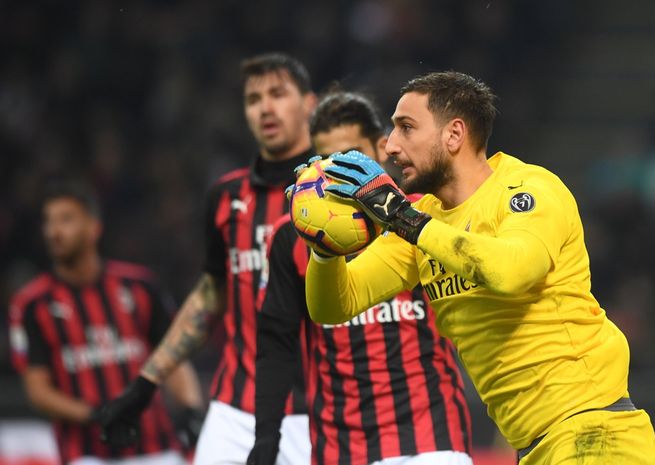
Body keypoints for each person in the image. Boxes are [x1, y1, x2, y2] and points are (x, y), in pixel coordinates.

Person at [301, 72, 655, 464]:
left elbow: (512, 272)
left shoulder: (529, 189)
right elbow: (334, 306)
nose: (390, 146)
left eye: (406, 128)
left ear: (454, 135)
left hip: (595, 432)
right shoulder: (422, 220)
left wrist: (403, 218)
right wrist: (324, 243)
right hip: (537, 446)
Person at [98, 52, 316, 465]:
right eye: (253, 99)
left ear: (309, 104)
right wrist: (145, 384)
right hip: (234, 410)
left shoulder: (335, 194)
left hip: (317, 414)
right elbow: (211, 293)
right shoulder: (226, 196)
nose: (265, 107)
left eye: (277, 94)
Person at [248, 91, 473, 465]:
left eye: (354, 157)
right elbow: (276, 344)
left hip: (433, 439)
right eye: (330, 162)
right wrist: (266, 437)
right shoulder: (290, 238)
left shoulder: (422, 217)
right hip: (341, 449)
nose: (343, 175)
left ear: (383, 148)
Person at [8, 181, 203, 465]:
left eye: (66, 220)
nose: (54, 232)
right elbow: (37, 391)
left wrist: (190, 409)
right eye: (48, 222)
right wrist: (97, 415)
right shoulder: (32, 304)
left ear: (93, 228)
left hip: (156, 446)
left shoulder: (140, 286)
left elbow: (174, 357)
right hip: (86, 454)